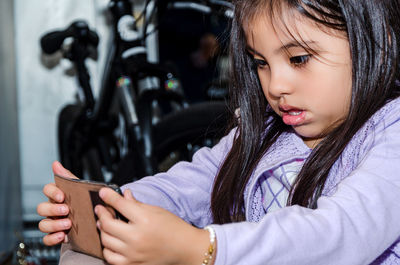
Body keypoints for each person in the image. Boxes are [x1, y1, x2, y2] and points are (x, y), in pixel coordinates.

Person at [37, 0, 400, 264]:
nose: (275, 86)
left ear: (376, 43)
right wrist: (109, 206)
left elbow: (340, 234)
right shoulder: (267, 130)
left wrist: (204, 248)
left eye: (298, 59)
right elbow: (192, 184)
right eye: (261, 63)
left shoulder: (392, 132)